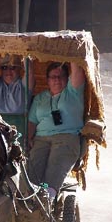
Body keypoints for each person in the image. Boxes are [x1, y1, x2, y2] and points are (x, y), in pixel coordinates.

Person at [28, 61, 85, 200]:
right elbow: (32, 121)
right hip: (41, 138)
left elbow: (77, 72)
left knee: (55, 166)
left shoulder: (73, 92)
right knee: (32, 170)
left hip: (67, 137)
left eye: (61, 76)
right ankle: (29, 199)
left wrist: (71, 54)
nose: (57, 80)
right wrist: (28, 138)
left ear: (67, 78)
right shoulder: (40, 98)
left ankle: (48, 199)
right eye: (53, 77)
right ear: (47, 80)